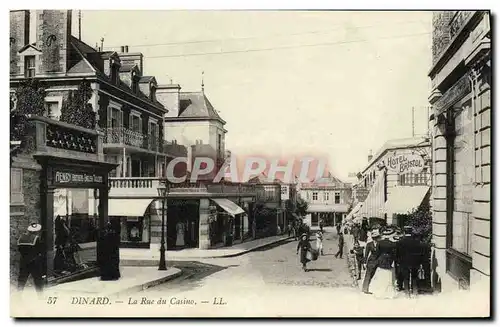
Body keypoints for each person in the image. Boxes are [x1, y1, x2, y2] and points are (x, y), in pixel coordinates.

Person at [370, 228, 398, 299]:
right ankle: (388, 293)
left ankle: (379, 292)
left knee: (380, 274)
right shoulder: (392, 244)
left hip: (381, 259)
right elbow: (394, 254)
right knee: (388, 275)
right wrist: (392, 260)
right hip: (389, 259)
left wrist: (376, 260)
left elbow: (377, 253)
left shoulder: (380, 243)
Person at [17, 223, 44, 293]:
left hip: (23, 261)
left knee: (22, 279)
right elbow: (39, 250)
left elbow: (19, 249)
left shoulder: (21, 237)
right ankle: (40, 295)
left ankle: (18, 295)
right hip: (34, 262)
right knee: (38, 279)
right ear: (36, 231)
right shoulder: (36, 238)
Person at [397, 226, 423, 296]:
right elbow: (420, 252)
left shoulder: (400, 241)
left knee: (406, 277)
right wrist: (419, 262)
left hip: (404, 262)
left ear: (404, 232)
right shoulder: (416, 241)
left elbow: (398, 253)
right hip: (414, 262)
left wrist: (398, 261)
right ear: (411, 232)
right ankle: (415, 292)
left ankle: (407, 292)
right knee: (414, 277)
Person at [362, 229, 381, 294]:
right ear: (373, 238)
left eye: (377, 237)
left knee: (375, 275)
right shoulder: (369, 244)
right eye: (375, 238)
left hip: (378, 261)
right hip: (371, 261)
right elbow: (366, 254)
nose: (376, 239)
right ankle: (365, 289)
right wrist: (364, 262)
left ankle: (374, 289)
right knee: (368, 275)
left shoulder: (380, 243)